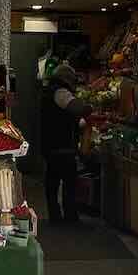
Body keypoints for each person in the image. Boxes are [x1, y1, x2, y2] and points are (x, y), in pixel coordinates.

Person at [40, 59, 88, 225]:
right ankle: (69, 216)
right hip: (61, 145)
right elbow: (75, 108)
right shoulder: (60, 92)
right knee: (68, 182)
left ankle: (55, 215)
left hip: (50, 144)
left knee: (52, 182)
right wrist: (88, 107)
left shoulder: (48, 91)